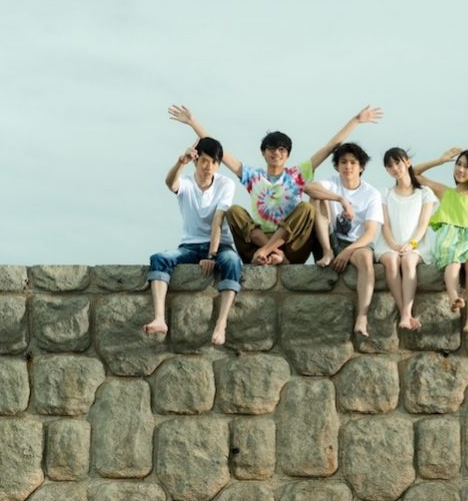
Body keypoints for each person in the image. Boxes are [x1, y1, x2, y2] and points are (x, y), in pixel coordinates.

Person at [168, 104, 382, 265]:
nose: (276, 153)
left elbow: (329, 148)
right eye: (271, 149)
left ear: (287, 154)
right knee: (234, 211)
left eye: (281, 150)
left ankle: (272, 252)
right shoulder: (253, 177)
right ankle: (273, 253)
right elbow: (219, 151)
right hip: (258, 241)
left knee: (306, 208)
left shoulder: (297, 175)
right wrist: (193, 122)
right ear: (263, 152)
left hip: (291, 246)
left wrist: (356, 120)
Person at [143, 137, 243, 346]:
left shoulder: (226, 184)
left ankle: (221, 323)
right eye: (204, 160)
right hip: (190, 246)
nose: (209, 167)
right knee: (159, 259)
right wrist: (181, 162)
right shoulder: (187, 182)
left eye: (214, 162)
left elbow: (218, 220)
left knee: (232, 262)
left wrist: (211, 255)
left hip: (220, 245)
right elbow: (170, 183)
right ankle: (160, 318)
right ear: (196, 160)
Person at [415, 148, 468, 334]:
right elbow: (413, 174)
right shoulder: (445, 191)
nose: (461, 169)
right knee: (452, 261)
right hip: (450, 239)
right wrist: (440, 160)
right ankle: (454, 298)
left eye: (467, 167)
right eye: (458, 164)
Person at [314, 143, 384, 337]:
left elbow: (370, 233)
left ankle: (362, 316)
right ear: (337, 166)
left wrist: (347, 252)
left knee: (366, 259)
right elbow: (307, 187)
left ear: (361, 167)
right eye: (343, 162)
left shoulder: (371, 194)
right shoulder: (332, 183)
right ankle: (327, 252)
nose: (348, 166)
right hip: (330, 239)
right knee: (316, 197)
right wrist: (341, 200)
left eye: (353, 162)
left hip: (356, 244)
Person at [374, 147, 438, 330]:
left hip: (417, 245)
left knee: (408, 262)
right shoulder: (385, 193)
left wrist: (412, 244)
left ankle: (405, 313)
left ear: (408, 162)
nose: (395, 168)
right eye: (390, 166)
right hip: (388, 244)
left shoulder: (424, 192)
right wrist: (393, 245)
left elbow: (423, 224)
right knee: (392, 261)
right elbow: (385, 225)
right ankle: (406, 314)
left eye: (398, 162)